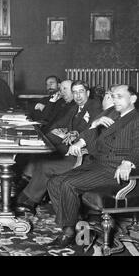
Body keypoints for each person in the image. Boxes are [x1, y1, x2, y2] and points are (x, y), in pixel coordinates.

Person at [47, 85, 139, 247]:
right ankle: (73, 224)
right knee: (54, 182)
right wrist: (93, 125)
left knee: (68, 184)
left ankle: (69, 232)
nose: (114, 100)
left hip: (114, 170)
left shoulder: (135, 118)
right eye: (112, 96)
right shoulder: (113, 115)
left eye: (119, 96)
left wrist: (127, 162)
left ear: (132, 99)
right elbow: (94, 136)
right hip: (98, 163)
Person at [13, 80, 102, 215]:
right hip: (69, 149)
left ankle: (29, 202)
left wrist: (73, 134)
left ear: (88, 93)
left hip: (84, 155)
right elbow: (57, 124)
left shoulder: (93, 105)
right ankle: (19, 200)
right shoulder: (74, 108)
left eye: (81, 92)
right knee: (42, 161)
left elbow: (91, 129)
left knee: (46, 166)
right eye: (75, 92)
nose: (78, 96)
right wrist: (52, 134)